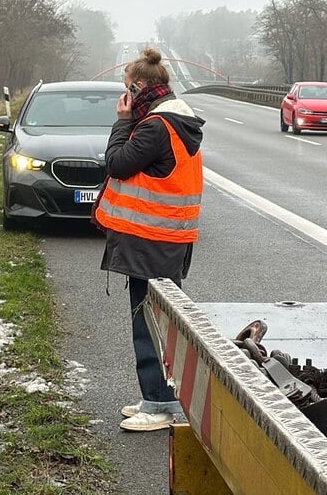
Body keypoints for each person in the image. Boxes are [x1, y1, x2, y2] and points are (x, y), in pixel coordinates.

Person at [94, 47, 205, 432]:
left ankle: (160, 405)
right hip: (165, 238)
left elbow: (117, 163)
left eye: (126, 88)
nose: (123, 95)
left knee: (150, 324)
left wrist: (122, 122)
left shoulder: (155, 126)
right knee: (160, 322)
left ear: (137, 88)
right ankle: (157, 397)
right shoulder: (176, 119)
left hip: (151, 239)